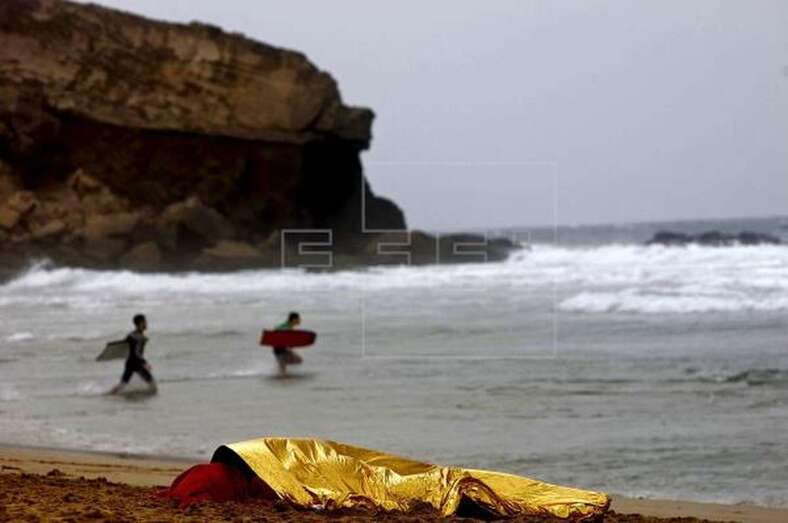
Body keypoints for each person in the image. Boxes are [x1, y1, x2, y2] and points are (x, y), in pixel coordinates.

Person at [110, 314, 157, 394]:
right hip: (136, 363)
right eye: (145, 322)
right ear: (141, 323)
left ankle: (110, 395)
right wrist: (144, 363)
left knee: (122, 384)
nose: (146, 324)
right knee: (153, 386)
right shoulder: (139, 337)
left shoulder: (131, 335)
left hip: (130, 363)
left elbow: (125, 347)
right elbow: (136, 353)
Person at [273, 311, 303, 376]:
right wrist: (286, 331)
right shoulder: (287, 326)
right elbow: (276, 329)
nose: (300, 320)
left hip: (284, 349)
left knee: (299, 360)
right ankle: (279, 373)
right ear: (294, 319)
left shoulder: (290, 326)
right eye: (298, 319)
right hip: (279, 349)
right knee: (282, 373)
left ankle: (279, 369)